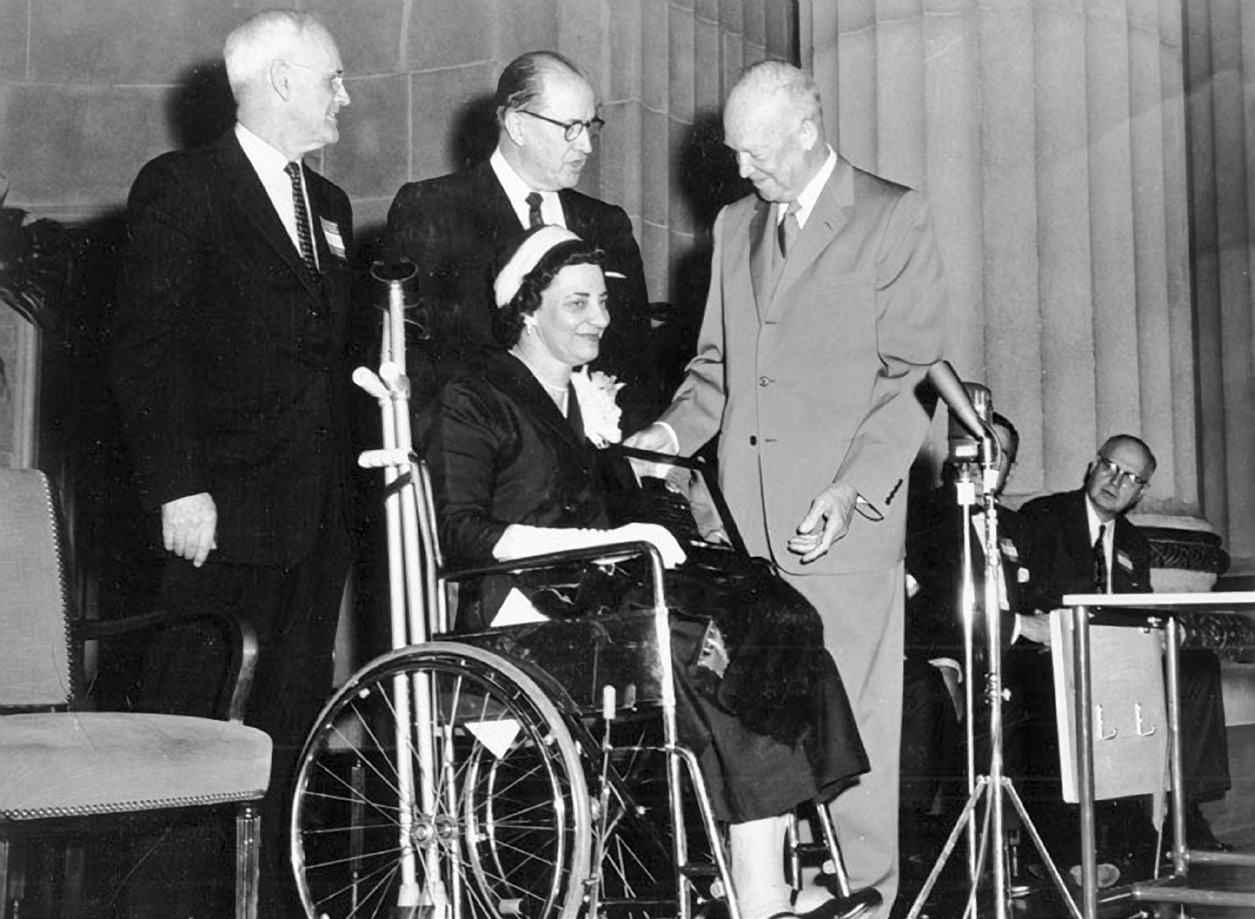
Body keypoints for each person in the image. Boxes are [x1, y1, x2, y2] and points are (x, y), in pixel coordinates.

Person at [421, 225, 869, 919]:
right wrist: (604, 535)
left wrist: (644, 492)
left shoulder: (586, 404)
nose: (599, 318)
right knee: (705, 650)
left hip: (604, 596)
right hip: (525, 615)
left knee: (778, 627)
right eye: (577, 303)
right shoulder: (475, 394)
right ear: (526, 309)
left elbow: (622, 512)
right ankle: (758, 894)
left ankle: (769, 869)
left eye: (602, 301)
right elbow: (460, 533)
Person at [626, 61, 949, 917]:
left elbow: (910, 378)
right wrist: (666, 433)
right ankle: (775, 896)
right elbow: (715, 371)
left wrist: (849, 490)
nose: (741, 172)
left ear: (807, 130)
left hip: (840, 524)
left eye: (757, 152)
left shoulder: (890, 215)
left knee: (853, 730)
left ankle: (869, 899)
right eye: (734, 153)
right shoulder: (735, 225)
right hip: (743, 529)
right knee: (757, 725)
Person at [110, 10, 354, 916]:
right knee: (191, 730)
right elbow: (147, 349)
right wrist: (178, 484)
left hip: (313, 516)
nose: (345, 95)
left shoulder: (326, 208)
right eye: (331, 78)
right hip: (216, 515)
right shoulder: (183, 186)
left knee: (288, 731)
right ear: (281, 81)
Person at [385, 50, 656, 428]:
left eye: (590, 126)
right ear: (517, 125)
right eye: (570, 128)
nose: (586, 146)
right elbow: (415, 358)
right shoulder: (431, 208)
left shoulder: (608, 224)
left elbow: (637, 357)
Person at [1014, 434, 1231, 885]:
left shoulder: (1133, 542)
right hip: (1053, 652)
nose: (1117, 481)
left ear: (1141, 492)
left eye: (1131, 478)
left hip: (1116, 655)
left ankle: (1186, 815)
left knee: (1196, 670)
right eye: (1111, 467)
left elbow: (1136, 611)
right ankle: (1076, 846)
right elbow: (1027, 599)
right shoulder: (1045, 516)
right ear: (1093, 466)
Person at [900, 413, 1025, 864]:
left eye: (998, 451)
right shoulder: (926, 515)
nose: (981, 458)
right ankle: (965, 857)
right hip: (954, 654)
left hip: (1018, 656)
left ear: (1008, 466)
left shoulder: (1018, 526)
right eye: (972, 444)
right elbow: (924, 604)